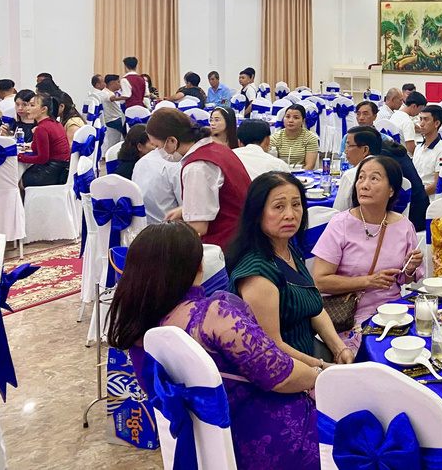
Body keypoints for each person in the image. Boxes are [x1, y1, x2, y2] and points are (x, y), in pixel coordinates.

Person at [106, 222, 322, 470]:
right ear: (199, 266)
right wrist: (318, 375)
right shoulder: (213, 316)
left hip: (204, 450)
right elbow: (282, 376)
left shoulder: (138, 334)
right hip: (273, 440)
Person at [226, 173, 356, 366]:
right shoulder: (258, 275)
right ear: (257, 213)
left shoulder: (288, 250)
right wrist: (324, 368)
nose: (290, 214)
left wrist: (339, 348)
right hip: (282, 370)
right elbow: (272, 348)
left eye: (296, 204)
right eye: (279, 207)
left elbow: (313, 307)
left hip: (308, 353)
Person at [312, 156, 425, 345]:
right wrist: (367, 281)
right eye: (361, 178)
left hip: (393, 311)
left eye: (374, 179)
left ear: (391, 190)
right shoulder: (341, 224)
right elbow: (320, 281)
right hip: (350, 313)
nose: (364, 185)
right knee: (375, 348)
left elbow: (404, 280)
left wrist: (410, 268)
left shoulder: (404, 226)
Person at [146, 108, 251, 249]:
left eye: (158, 146)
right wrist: (186, 209)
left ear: (172, 141)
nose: (157, 151)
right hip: (244, 234)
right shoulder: (218, 149)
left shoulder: (197, 167)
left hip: (226, 244)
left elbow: (198, 228)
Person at [18, 93, 71, 188]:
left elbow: (42, 158)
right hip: (62, 168)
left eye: (32, 105)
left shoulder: (42, 128)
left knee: (17, 182)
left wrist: (19, 157)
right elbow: (39, 149)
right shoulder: (55, 123)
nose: (27, 109)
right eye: (28, 105)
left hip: (50, 170)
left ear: (44, 109)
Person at [131, 141, 183, 224]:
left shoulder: (140, 162)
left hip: (143, 225)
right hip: (171, 227)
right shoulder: (176, 166)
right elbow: (191, 211)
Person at [412, 105, 442, 197]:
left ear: (436, 123)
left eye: (426, 120)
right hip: (417, 193)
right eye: (420, 119)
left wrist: (416, 196)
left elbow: (437, 185)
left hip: (429, 199)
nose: (421, 124)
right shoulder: (418, 148)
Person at [334, 126, 385, 210]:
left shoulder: (351, 175)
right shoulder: (389, 169)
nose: (345, 151)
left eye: (349, 145)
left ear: (365, 150)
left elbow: (338, 211)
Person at [270, 104, 320, 169]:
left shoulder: (310, 138)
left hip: (302, 173)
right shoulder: (275, 138)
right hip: (280, 173)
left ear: (303, 121)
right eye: (287, 117)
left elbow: (309, 166)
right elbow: (272, 164)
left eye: (296, 118)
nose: (290, 120)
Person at [98, 75, 124, 148]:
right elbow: (112, 98)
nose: (120, 84)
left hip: (117, 118)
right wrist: (125, 94)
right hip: (113, 120)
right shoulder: (105, 93)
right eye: (118, 82)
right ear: (112, 83)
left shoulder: (110, 92)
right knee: (130, 130)